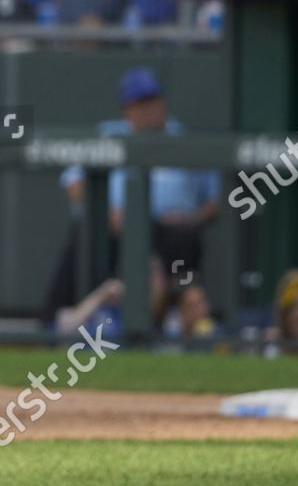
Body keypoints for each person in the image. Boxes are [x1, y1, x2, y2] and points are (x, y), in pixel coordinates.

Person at [41, 68, 222, 333]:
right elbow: (73, 183)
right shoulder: (108, 134)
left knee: (184, 237)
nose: (148, 110)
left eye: (152, 102)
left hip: (169, 232)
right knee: (85, 231)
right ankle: (53, 324)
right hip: (115, 228)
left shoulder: (183, 139)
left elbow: (215, 200)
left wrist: (195, 217)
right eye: (140, 104)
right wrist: (105, 212)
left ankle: (179, 322)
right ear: (127, 110)